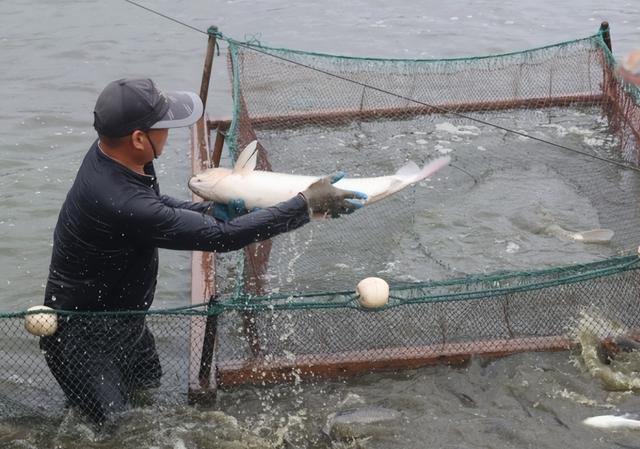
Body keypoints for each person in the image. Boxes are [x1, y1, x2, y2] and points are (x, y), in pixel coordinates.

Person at [40, 78, 366, 426]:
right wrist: (305, 206)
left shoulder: (114, 153)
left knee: (147, 387)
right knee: (116, 429)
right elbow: (220, 238)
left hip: (124, 322)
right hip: (85, 339)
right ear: (138, 138)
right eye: (162, 126)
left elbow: (154, 204)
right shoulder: (116, 198)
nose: (169, 131)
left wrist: (206, 212)